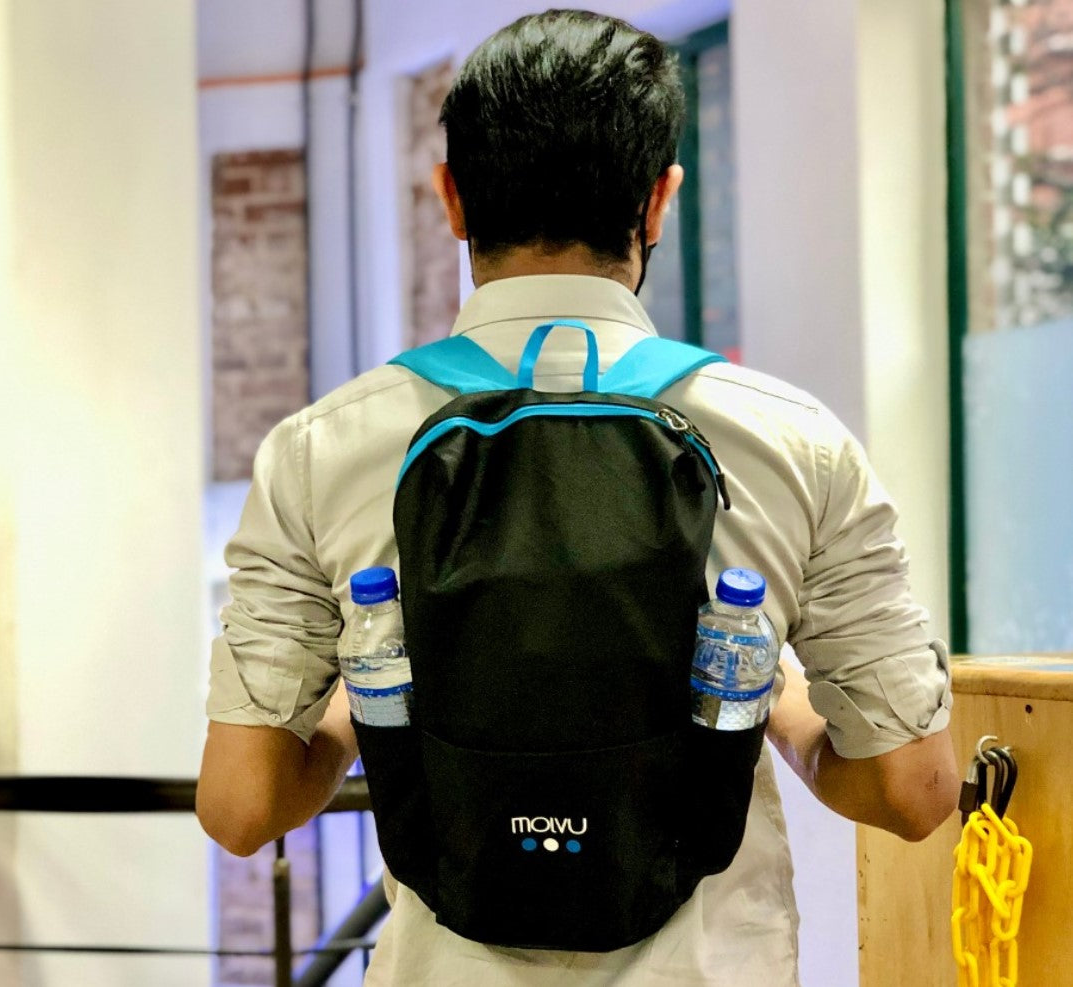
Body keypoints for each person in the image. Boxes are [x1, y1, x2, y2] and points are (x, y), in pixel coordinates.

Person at [196, 10, 958, 985]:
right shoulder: (794, 442)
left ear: (452, 198)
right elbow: (915, 787)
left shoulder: (320, 451)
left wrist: (368, 701)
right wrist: (775, 708)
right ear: (659, 202)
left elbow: (241, 806)